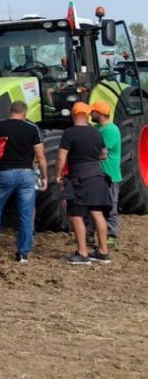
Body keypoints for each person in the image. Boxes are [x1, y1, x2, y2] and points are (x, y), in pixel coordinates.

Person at [0, 101, 48, 262]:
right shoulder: (32, 128)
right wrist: (44, 176)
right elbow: (41, 156)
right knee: (26, 214)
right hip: (27, 174)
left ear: (10, 111)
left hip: (4, 173)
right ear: (25, 113)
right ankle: (23, 253)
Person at [56, 102, 111, 265]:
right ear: (87, 114)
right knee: (97, 213)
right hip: (97, 177)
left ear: (73, 114)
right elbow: (104, 154)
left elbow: (60, 157)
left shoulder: (69, 133)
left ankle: (82, 253)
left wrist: (57, 175)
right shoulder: (96, 133)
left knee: (76, 214)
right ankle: (103, 252)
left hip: (80, 178)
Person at [90, 100, 121, 248]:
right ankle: (89, 234)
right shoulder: (96, 128)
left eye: (93, 111)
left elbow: (101, 153)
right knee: (92, 205)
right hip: (97, 174)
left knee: (110, 207)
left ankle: (111, 236)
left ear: (100, 113)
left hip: (110, 175)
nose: (91, 113)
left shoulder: (111, 130)